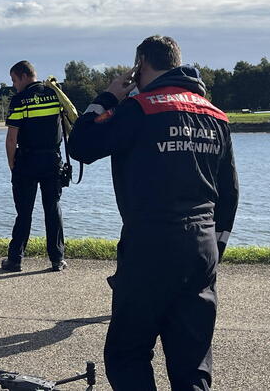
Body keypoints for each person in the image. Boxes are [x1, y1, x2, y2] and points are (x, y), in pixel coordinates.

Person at [68, 35, 239, 390]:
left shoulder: (139, 107)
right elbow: (230, 193)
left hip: (150, 244)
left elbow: (81, 145)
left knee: (128, 353)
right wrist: (215, 246)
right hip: (201, 247)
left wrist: (108, 96)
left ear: (140, 64)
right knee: (191, 363)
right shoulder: (215, 114)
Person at [1, 60, 67, 272]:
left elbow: (12, 139)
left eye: (14, 80)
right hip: (52, 160)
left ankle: (15, 260)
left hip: (27, 161)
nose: (14, 85)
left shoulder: (20, 99)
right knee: (53, 208)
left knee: (24, 212)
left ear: (22, 76)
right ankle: (57, 259)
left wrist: (12, 165)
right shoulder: (54, 93)